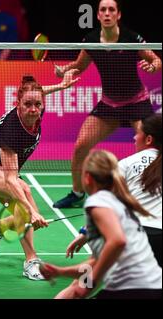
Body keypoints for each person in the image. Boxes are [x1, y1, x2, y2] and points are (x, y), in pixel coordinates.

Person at [0, 70, 80, 280]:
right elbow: (10, 179)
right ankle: (30, 262)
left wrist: (61, 86)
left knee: (21, 212)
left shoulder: (35, 109)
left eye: (38, 104)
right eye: (28, 105)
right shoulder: (12, 131)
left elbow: (38, 93)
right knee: (25, 199)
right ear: (18, 103)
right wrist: (32, 213)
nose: (34, 109)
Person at [52, 0, 162, 208]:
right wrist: (64, 70)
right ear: (98, 15)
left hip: (136, 102)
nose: (107, 13)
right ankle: (77, 194)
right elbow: (78, 66)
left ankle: (147, 194)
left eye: (112, 9)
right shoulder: (92, 40)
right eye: (103, 10)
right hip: (109, 104)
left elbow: (156, 60)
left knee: (147, 151)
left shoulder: (131, 38)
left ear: (118, 15)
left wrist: (152, 66)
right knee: (80, 146)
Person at [40, 150, 162, 299]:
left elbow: (117, 241)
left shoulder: (98, 202)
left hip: (133, 289)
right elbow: (94, 264)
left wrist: (87, 284)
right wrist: (60, 272)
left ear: (88, 178)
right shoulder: (121, 208)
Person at [66, 114, 162, 266]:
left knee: (93, 265)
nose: (134, 138)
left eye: (138, 134)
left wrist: (86, 232)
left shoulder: (126, 164)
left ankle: (83, 284)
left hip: (134, 234)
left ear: (148, 139)